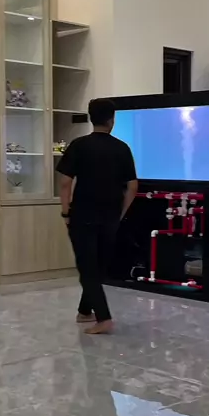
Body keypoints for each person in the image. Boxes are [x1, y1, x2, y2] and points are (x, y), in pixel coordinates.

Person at [57, 98, 138, 334]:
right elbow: (133, 186)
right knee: (98, 266)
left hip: (82, 215)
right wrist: (120, 213)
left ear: (92, 118)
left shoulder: (79, 145)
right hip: (110, 216)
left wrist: (66, 212)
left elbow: (65, 182)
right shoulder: (122, 148)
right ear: (112, 120)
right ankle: (85, 311)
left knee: (87, 267)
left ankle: (103, 318)